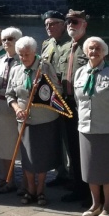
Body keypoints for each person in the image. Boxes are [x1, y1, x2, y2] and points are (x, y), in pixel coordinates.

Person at [75, 37, 109, 216]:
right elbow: (78, 101)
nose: (94, 51)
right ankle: (95, 204)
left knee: (106, 170)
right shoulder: (80, 73)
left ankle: (108, 206)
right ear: (85, 51)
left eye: (98, 48)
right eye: (90, 48)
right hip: (85, 128)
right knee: (90, 169)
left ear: (104, 52)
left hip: (106, 128)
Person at [7, 36, 63, 206]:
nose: (24, 58)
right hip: (24, 120)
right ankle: (30, 189)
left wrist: (43, 89)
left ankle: (41, 190)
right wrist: (17, 109)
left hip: (44, 119)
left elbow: (57, 91)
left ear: (34, 52)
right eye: (21, 55)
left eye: (27, 54)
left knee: (42, 158)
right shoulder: (16, 70)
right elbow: (10, 94)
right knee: (28, 158)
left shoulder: (45, 67)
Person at [56, 9, 91, 203]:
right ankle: (78, 187)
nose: (71, 25)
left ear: (84, 24)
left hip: (84, 105)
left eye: (75, 22)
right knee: (72, 148)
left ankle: (92, 190)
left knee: (87, 149)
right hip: (66, 104)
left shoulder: (91, 46)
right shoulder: (64, 48)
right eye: (68, 21)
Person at [40, 10, 70, 188]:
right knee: (55, 137)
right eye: (46, 25)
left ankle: (74, 175)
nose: (48, 27)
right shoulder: (46, 44)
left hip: (66, 96)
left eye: (52, 24)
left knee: (68, 137)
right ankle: (61, 172)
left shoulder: (70, 43)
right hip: (50, 97)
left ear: (63, 25)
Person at [0, 27, 21, 192]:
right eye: (4, 39)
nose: (7, 42)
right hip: (0, 106)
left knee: (14, 147)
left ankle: (14, 179)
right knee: (2, 145)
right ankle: (3, 177)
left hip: (16, 107)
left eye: (11, 39)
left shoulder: (22, 60)